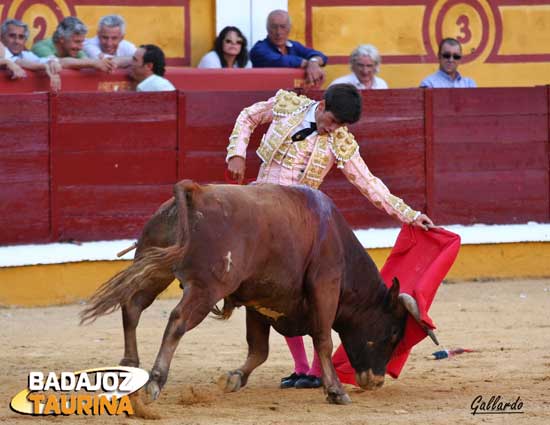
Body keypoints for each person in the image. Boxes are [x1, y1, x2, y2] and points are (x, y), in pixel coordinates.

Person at [226, 84, 434, 389]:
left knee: (305, 290)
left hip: (297, 219)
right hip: (259, 201)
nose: (334, 129)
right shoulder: (287, 106)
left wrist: (411, 215)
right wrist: (236, 153)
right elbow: (248, 117)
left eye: (341, 126)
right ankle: (300, 366)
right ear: (321, 105)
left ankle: (314, 367)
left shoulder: (341, 142)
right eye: (332, 122)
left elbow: (370, 184)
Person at [250, 9, 327, 87]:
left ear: (289, 28)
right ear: (267, 28)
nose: (278, 32)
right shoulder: (259, 49)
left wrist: (313, 62)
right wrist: (310, 64)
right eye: (274, 27)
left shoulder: (294, 45)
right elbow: (279, 61)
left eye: (283, 27)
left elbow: (321, 56)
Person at [32, 16, 114, 73]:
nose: (81, 47)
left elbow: (85, 61)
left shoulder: (74, 49)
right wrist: (94, 63)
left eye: (82, 42)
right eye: (77, 42)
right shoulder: (41, 47)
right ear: (62, 39)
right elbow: (58, 62)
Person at [1, 18, 61, 90]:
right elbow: (18, 61)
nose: (17, 41)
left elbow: (41, 60)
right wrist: (43, 66)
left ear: (25, 41)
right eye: (12, 36)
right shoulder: (2, 50)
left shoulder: (26, 55)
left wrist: (52, 62)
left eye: (21, 37)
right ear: (2, 38)